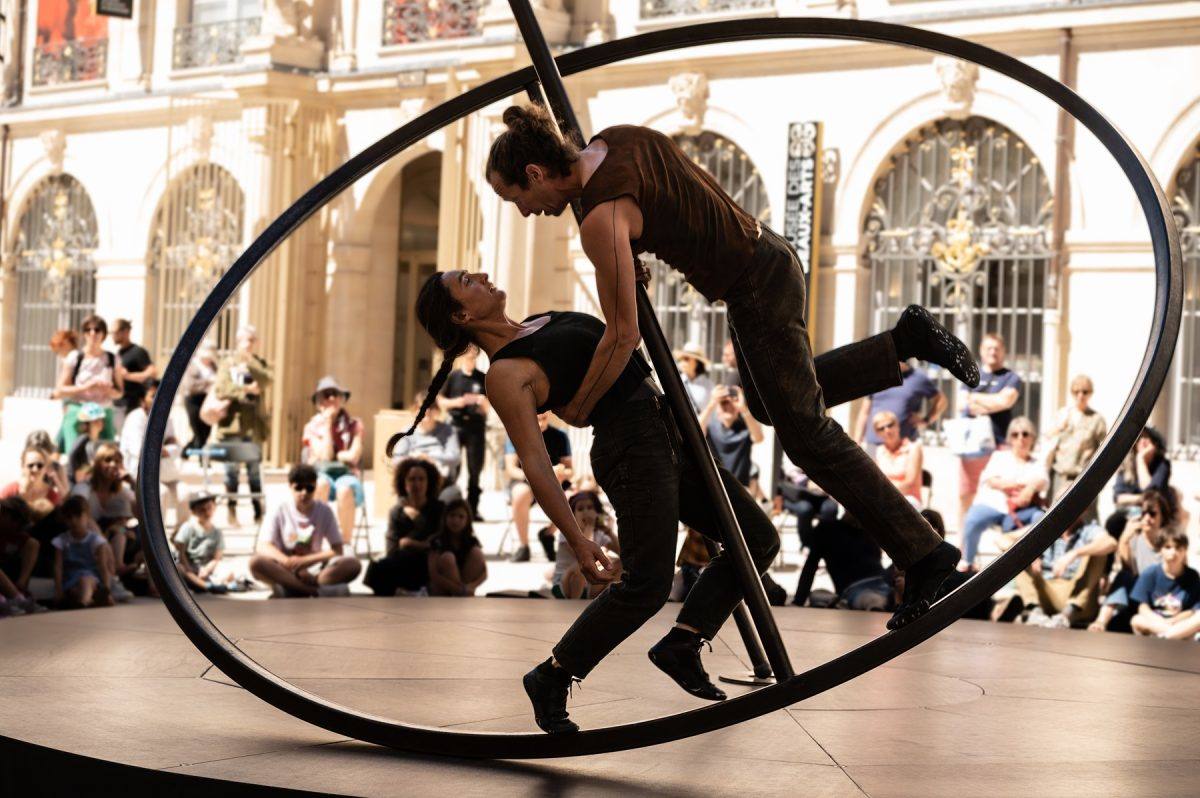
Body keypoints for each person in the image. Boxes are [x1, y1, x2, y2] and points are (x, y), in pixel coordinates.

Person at [485, 103, 975, 632]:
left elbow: (622, 334)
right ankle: (901, 341)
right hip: (768, 259)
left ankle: (926, 558)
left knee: (807, 436)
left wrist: (576, 409)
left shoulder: (602, 219)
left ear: (535, 173)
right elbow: (672, 203)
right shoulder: (616, 141)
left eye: (517, 197)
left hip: (754, 286)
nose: (526, 211)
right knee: (770, 404)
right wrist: (628, 250)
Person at [397, 269, 785, 735]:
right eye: (467, 281)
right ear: (461, 314)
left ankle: (684, 640)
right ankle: (553, 675)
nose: (481, 275)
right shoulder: (505, 373)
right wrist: (577, 539)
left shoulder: (539, 320)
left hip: (670, 431)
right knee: (647, 584)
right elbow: (537, 465)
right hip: (631, 447)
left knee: (758, 540)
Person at [249, 464, 361, 598]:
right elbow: (263, 546)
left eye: (309, 488)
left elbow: (337, 549)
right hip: (284, 569)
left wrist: (305, 561)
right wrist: (287, 561)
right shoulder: (279, 509)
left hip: (315, 570)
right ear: (290, 486)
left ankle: (294, 588)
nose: (304, 493)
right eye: (299, 488)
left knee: (353, 564)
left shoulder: (324, 511)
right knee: (256, 562)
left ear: (315, 487)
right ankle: (311, 590)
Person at [959, 416, 1048, 572]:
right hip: (995, 505)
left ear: (1032, 438)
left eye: (1025, 434)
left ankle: (1034, 559)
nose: (1020, 438)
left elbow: (1044, 480)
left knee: (1040, 519)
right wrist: (1016, 484)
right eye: (1015, 434)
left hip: (1021, 512)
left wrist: (1030, 488)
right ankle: (968, 561)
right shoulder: (1000, 456)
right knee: (973, 518)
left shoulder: (1037, 462)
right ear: (1010, 438)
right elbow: (990, 480)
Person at [957, 333, 1022, 521]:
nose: (993, 352)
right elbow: (961, 404)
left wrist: (975, 398)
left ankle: (1008, 545)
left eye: (997, 348)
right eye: (989, 348)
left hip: (1000, 445)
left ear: (1004, 352)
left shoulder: (1011, 378)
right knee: (966, 496)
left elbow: (1005, 401)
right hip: (971, 447)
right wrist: (993, 401)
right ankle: (963, 547)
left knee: (1005, 497)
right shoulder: (970, 374)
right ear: (981, 350)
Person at [1090, 488, 1173, 634]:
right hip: (1135, 597)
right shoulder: (1133, 539)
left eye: (1152, 514)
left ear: (1163, 518)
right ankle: (1101, 621)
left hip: (1157, 599)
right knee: (1124, 576)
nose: (1147, 518)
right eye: (1143, 513)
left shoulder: (1168, 545)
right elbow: (1128, 566)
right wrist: (1124, 539)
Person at [1011, 514, 1116, 628]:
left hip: (1077, 597)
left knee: (1098, 552)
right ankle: (1035, 612)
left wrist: (1075, 553)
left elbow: (1111, 543)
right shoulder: (1044, 527)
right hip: (1045, 592)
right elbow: (1003, 539)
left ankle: (1067, 615)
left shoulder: (1090, 529)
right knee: (1017, 554)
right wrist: (1029, 554)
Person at [213, 324, 272, 526]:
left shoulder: (259, 364)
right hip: (233, 426)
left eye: (251, 340)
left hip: (253, 427)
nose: (248, 345)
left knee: (254, 471)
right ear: (237, 342)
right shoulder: (228, 363)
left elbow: (266, 380)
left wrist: (251, 365)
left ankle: (258, 513)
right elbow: (222, 388)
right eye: (245, 340)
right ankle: (231, 512)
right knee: (232, 472)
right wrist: (246, 389)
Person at [364, 458, 445, 597]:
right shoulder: (397, 512)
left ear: (428, 482)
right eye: (411, 479)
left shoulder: (439, 509)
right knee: (378, 568)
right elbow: (392, 547)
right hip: (404, 563)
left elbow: (441, 541)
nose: (417, 484)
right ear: (404, 483)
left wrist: (411, 543)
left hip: (431, 563)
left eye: (421, 479)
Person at [69, 444, 137, 602]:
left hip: (112, 535)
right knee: (101, 542)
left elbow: (141, 514)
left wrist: (133, 483)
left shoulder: (122, 491)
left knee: (120, 531)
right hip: (83, 534)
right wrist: (102, 539)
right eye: (107, 460)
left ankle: (118, 570)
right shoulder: (84, 487)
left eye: (117, 461)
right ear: (97, 463)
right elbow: (82, 512)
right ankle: (112, 582)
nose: (113, 465)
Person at [302, 376, 366, 542]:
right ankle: (315, 542)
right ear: (318, 402)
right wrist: (328, 425)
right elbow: (325, 456)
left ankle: (345, 544)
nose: (331, 398)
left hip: (347, 475)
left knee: (344, 489)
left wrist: (340, 455)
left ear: (341, 399)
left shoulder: (354, 424)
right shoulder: (311, 427)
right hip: (322, 474)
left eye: (335, 394)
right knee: (320, 484)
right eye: (326, 395)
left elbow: (354, 455)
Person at [503, 412, 572, 563]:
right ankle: (524, 546)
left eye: (543, 418)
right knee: (520, 493)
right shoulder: (515, 434)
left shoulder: (560, 436)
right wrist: (537, 476)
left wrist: (560, 471)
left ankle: (547, 534)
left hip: (554, 484)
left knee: (572, 497)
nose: (540, 423)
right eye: (537, 419)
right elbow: (511, 469)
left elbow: (570, 470)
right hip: (525, 482)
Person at [793, 512, 892, 611]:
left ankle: (891, 601)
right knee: (870, 599)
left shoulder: (867, 530)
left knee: (878, 596)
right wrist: (798, 600)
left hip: (884, 580)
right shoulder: (827, 529)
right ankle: (883, 604)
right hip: (855, 588)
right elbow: (810, 566)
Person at [55, 315, 123, 454]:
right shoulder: (75, 357)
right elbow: (60, 389)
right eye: (88, 329)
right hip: (79, 410)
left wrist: (108, 390)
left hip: (103, 412)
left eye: (97, 329)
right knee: (76, 454)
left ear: (103, 333)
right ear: (84, 333)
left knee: (106, 455)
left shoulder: (112, 358)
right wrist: (86, 387)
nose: (93, 333)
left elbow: (120, 392)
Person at [120, 379, 185, 524]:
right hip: (140, 476)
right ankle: (156, 541)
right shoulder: (135, 419)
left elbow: (177, 448)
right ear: (143, 399)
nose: (157, 399)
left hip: (166, 474)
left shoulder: (166, 417)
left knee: (184, 494)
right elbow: (140, 452)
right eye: (153, 395)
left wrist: (157, 449)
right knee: (161, 494)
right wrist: (164, 448)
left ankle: (179, 540)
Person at [438, 346, 491, 520]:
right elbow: (441, 401)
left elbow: (487, 409)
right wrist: (458, 402)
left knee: (475, 470)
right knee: (453, 468)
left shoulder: (482, 378)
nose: (471, 360)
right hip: (455, 426)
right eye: (468, 356)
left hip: (476, 428)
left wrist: (482, 402)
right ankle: (450, 505)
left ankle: (472, 509)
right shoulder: (453, 377)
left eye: (473, 357)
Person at [852, 360, 945, 457]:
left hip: (903, 447)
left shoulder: (918, 378)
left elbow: (941, 401)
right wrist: (857, 441)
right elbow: (864, 412)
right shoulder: (878, 376)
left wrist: (927, 420)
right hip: (874, 445)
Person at [1043, 374, 1106, 516]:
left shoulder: (1097, 419)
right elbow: (1047, 437)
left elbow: (1103, 449)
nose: (1080, 395)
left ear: (1091, 393)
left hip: (1083, 477)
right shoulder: (1062, 414)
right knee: (1055, 516)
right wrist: (1060, 427)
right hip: (1060, 475)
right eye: (1076, 391)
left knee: (1085, 517)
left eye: (1085, 392)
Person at [1128, 529, 1200, 639]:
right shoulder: (1150, 573)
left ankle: (1168, 636)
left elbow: (1193, 610)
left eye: (1178, 548)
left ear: (1185, 551)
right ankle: (1171, 635)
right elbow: (1142, 607)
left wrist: (1174, 621)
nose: (1173, 552)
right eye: (1168, 547)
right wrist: (1162, 623)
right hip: (1155, 624)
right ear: (1160, 550)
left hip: (1181, 624)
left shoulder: (1192, 576)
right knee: (1136, 620)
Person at [391, 392, 462, 503]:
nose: (426, 411)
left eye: (430, 407)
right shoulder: (406, 432)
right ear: (415, 410)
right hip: (414, 481)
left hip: (442, 482)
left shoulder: (448, 431)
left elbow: (455, 457)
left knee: (451, 497)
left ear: (437, 410)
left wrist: (430, 457)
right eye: (422, 407)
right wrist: (417, 459)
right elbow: (396, 460)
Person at [1104, 426, 1171, 541]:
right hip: (1128, 512)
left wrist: (1141, 460)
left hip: (1152, 514)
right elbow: (1118, 497)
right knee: (1112, 523)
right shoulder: (1127, 463)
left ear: (1155, 443)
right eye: (1139, 438)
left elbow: (1150, 492)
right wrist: (1141, 498)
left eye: (1146, 438)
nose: (1142, 441)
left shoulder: (1162, 465)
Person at [552, 491, 621, 600]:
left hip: (588, 585)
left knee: (621, 564)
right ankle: (574, 605)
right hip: (564, 585)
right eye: (580, 509)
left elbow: (621, 553)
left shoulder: (599, 533)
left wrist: (608, 532)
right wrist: (589, 526)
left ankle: (608, 599)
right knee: (581, 566)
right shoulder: (567, 533)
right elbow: (584, 555)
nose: (586, 512)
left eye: (590, 508)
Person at [52, 495, 117, 609]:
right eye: (69, 517)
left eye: (78, 516)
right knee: (75, 590)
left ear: (87, 516)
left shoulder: (96, 541)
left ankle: (84, 601)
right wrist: (58, 590)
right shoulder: (61, 541)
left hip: (92, 579)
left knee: (85, 580)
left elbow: (103, 567)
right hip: (71, 580)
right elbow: (58, 567)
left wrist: (107, 590)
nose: (74, 521)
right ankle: (89, 600)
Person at [174, 490, 241, 594]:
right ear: (194, 511)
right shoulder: (188, 527)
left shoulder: (217, 532)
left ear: (214, 507)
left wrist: (207, 569)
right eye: (201, 510)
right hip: (190, 566)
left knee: (228, 569)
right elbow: (180, 552)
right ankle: (207, 586)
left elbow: (217, 558)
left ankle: (213, 584)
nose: (206, 512)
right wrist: (189, 568)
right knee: (178, 568)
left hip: (207, 568)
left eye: (209, 508)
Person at [700, 384, 763, 488]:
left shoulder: (745, 426)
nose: (728, 407)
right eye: (724, 403)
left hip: (740, 487)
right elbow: (696, 430)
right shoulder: (711, 426)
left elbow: (759, 438)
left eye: (732, 403)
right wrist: (711, 403)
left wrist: (743, 408)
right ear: (717, 408)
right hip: (716, 486)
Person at [427, 499, 487, 597]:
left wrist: (471, 587)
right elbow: (433, 574)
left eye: (461, 517)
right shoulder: (437, 540)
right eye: (452, 515)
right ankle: (460, 596)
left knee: (477, 553)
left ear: (467, 521)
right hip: (442, 589)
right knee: (448, 557)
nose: (456, 520)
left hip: (464, 585)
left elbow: (484, 572)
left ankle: (462, 596)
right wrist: (458, 589)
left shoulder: (471, 541)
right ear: (445, 517)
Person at [0, 498, 45, 616]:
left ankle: (18, 594)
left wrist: (22, 580)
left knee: (32, 543)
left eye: (5, 513)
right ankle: (19, 600)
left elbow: (32, 545)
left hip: (8, 573)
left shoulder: (19, 537)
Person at [111, 318, 156, 431]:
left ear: (126, 332)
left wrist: (128, 376)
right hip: (118, 404)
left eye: (115, 332)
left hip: (133, 404)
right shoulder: (119, 353)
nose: (112, 335)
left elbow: (152, 372)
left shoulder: (138, 352)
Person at [871, 410, 923, 507]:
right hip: (883, 498)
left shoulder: (913, 448)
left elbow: (909, 484)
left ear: (898, 426)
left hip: (909, 499)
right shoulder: (879, 451)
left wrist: (883, 491)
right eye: (881, 428)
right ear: (877, 433)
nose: (887, 430)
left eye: (890, 425)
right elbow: (875, 481)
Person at [181, 338, 220, 453]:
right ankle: (194, 455)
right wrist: (209, 382)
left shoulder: (213, 366)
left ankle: (191, 453)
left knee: (206, 430)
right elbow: (190, 385)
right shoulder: (192, 365)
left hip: (208, 401)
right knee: (198, 431)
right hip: (193, 401)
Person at [67, 402, 108, 484]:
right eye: (95, 420)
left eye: (101, 420)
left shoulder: (97, 441)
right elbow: (73, 460)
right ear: (86, 424)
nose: (99, 423)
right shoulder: (83, 440)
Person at [674, 341, 714, 412]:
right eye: (681, 359)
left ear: (697, 362)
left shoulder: (709, 386)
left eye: (686, 358)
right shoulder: (675, 381)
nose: (682, 362)